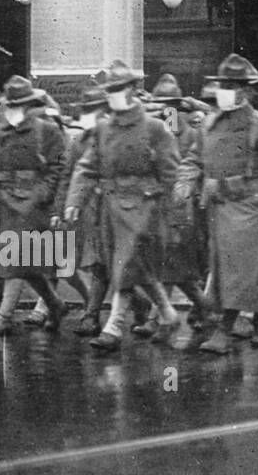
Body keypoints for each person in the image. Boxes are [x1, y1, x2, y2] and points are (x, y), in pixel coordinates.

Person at [176, 54, 258, 353]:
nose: (225, 90)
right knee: (237, 271)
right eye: (222, 84)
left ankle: (225, 329)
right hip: (219, 208)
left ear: (246, 90)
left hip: (254, 207)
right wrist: (184, 182)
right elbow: (194, 158)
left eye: (232, 85)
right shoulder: (208, 123)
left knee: (242, 271)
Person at [64, 61, 184, 351]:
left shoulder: (155, 128)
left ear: (132, 89)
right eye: (110, 90)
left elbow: (171, 173)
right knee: (133, 267)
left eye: (118, 89)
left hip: (143, 208)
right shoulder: (104, 129)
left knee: (126, 264)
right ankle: (168, 314)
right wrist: (75, 201)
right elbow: (86, 167)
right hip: (110, 208)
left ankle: (113, 328)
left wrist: (171, 213)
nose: (113, 95)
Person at [0, 76, 69, 335]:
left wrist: (44, 194)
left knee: (16, 260)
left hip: (33, 204)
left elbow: (59, 166)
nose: (13, 109)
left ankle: (4, 317)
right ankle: (54, 304)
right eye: (10, 104)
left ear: (28, 105)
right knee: (22, 263)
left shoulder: (47, 130)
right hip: (5, 202)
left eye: (18, 104)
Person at [142, 74, 215, 332]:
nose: (165, 109)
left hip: (183, 206)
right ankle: (200, 309)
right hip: (158, 205)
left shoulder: (185, 131)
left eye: (170, 103)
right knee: (171, 265)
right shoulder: (155, 128)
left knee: (177, 264)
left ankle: (162, 319)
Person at [60, 86, 111, 337]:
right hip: (86, 211)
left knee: (107, 264)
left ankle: (92, 316)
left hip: (114, 208)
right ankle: (94, 311)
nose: (91, 115)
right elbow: (67, 175)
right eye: (88, 110)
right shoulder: (78, 140)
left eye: (95, 110)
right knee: (85, 262)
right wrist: (64, 206)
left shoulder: (116, 135)